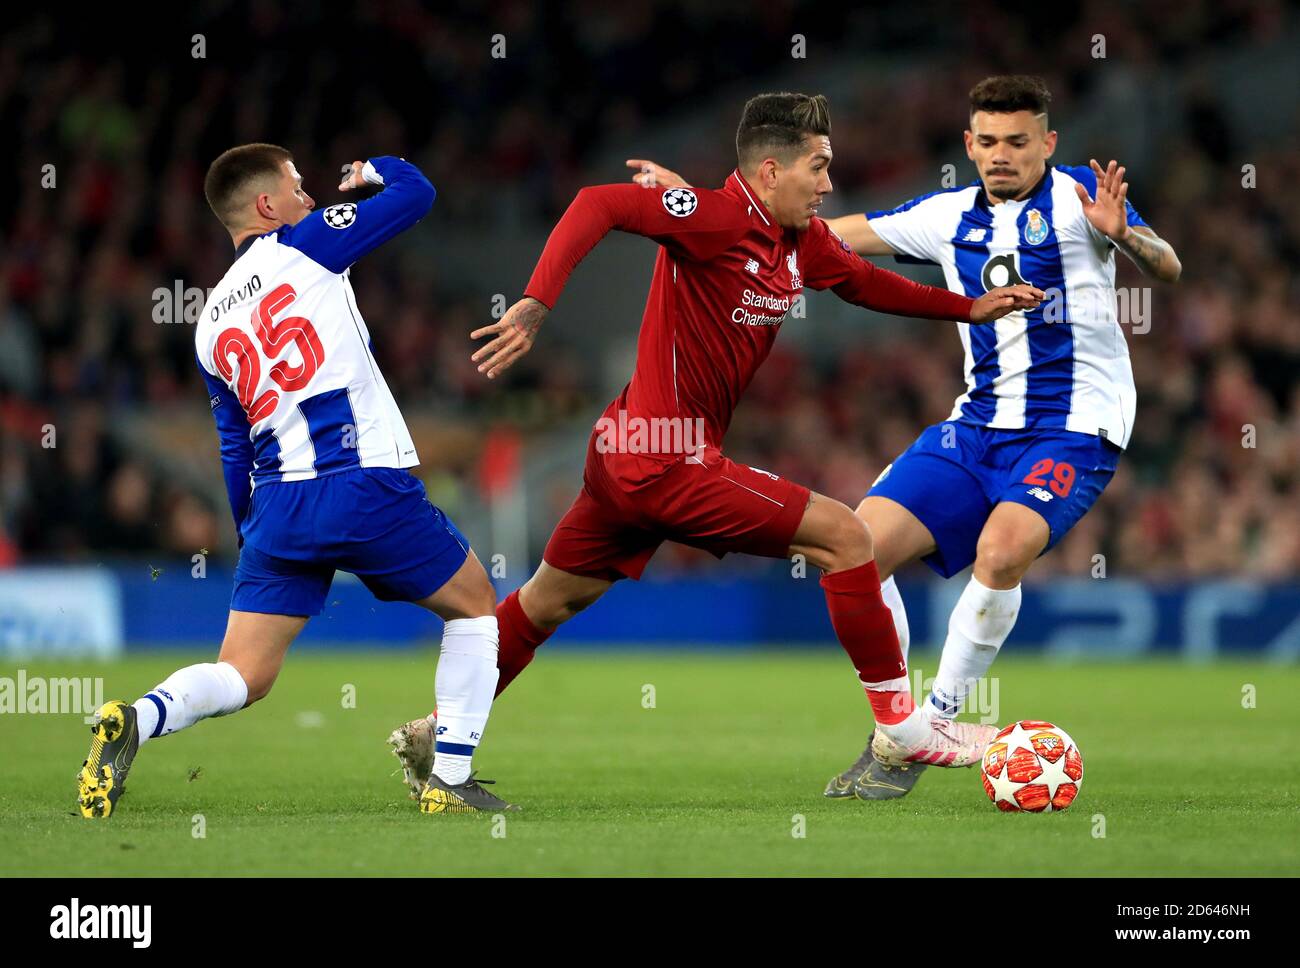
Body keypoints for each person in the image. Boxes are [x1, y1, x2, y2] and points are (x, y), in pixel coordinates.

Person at [387, 93, 1042, 799]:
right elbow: (594, 205)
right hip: (665, 459)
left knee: (545, 604)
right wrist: (537, 302)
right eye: (817, 168)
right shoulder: (713, 218)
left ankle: (439, 729)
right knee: (847, 539)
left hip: (626, 456)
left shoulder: (802, 242)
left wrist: (966, 306)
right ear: (769, 170)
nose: (828, 185)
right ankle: (903, 728)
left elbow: (865, 284)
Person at [624, 75, 1182, 800]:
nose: (1002, 155)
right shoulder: (947, 214)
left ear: (1047, 142)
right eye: (988, 142)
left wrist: (1126, 236)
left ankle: (924, 732)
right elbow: (826, 235)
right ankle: (903, 726)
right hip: (977, 424)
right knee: (854, 549)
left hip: (1074, 427)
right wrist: (704, 208)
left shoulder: (1082, 197)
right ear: (968, 145)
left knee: (1003, 548)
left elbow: (1166, 267)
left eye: (1018, 141)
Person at [77, 146, 513, 818]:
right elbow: (416, 192)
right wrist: (372, 170)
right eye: (298, 185)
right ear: (265, 205)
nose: (311, 197)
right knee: (476, 607)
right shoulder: (305, 243)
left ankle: (135, 719)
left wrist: (247, 523)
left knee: (243, 676)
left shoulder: (210, 321)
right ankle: (448, 779)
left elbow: (233, 444)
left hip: (277, 505)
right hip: (358, 482)